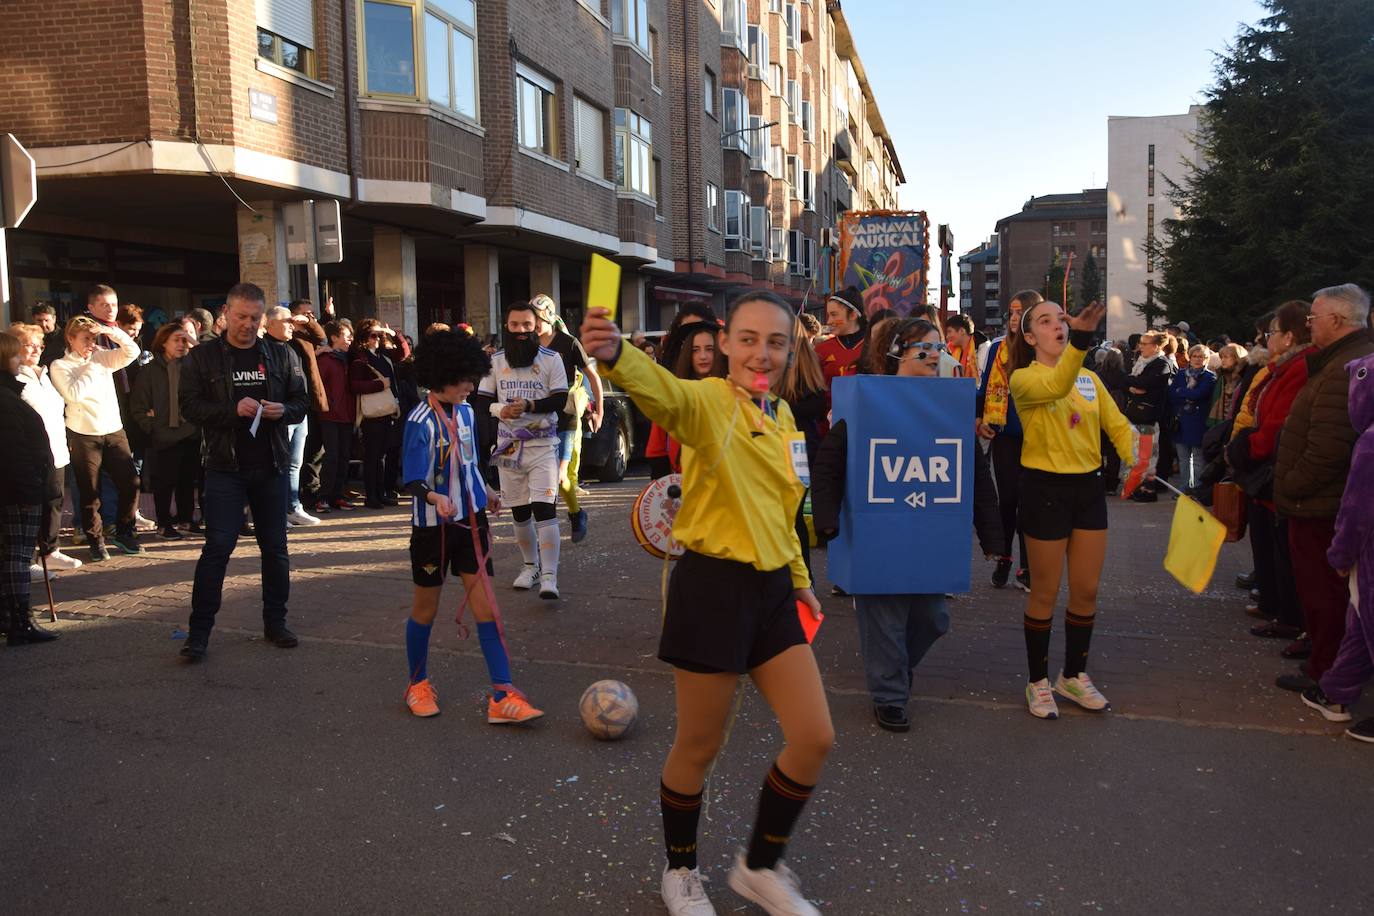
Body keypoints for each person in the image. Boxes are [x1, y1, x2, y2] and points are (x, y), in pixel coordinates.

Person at [582, 290, 830, 916]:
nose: (761, 353)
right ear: (724, 342)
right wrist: (615, 357)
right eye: (747, 339)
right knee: (698, 746)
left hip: (773, 591)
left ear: (790, 349)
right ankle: (681, 872)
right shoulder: (708, 404)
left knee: (814, 737)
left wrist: (800, 578)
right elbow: (664, 392)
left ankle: (759, 868)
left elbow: (786, 510)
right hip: (711, 591)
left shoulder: (786, 421)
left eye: (775, 342)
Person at [812, 317, 952, 733]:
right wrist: (828, 520)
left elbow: (971, 469)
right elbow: (830, 462)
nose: (933, 355)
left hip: (925, 530)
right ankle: (890, 694)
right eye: (922, 347)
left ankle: (894, 669)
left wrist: (991, 531)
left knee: (933, 617)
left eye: (938, 347)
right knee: (885, 618)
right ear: (895, 352)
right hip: (876, 529)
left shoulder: (948, 404)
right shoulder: (865, 399)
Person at [398, 329, 544, 724]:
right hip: (432, 530)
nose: (471, 386)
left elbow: (469, 463)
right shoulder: (418, 419)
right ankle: (417, 684)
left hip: (471, 525)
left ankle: (502, 694)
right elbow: (410, 478)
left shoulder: (465, 412)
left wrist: (487, 492)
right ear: (442, 375)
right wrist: (434, 497)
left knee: (488, 610)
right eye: (464, 379)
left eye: (472, 377)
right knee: (424, 611)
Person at [1011, 301, 1133, 719]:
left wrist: (1134, 453)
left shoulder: (1089, 379)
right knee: (1045, 591)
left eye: (1061, 319)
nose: (1057, 326)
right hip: (1044, 489)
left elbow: (1116, 423)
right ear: (1030, 338)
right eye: (1045, 322)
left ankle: (1074, 676)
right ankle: (1038, 682)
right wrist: (1081, 337)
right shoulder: (1024, 379)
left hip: (1088, 489)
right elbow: (1058, 385)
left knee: (1085, 590)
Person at [176, 283, 310, 661]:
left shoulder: (282, 354)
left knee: (276, 549)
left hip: (271, 465)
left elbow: (302, 402)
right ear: (226, 314)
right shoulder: (203, 357)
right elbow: (189, 407)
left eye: (255, 318)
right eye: (241, 317)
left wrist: (282, 410)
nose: (248, 325)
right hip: (224, 467)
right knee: (218, 547)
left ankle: (275, 622)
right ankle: (199, 632)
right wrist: (232, 411)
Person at [1273, 284, 1374, 694]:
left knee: (1326, 597)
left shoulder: (1347, 366)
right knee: (1322, 596)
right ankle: (1326, 664)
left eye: (1314, 317)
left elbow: (1330, 446)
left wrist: (1291, 484)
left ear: (1337, 320)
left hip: (1320, 503)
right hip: (1317, 499)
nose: (1309, 323)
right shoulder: (1336, 360)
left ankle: (1325, 673)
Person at [1226, 302, 1313, 648]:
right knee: (1270, 546)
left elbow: (1280, 423)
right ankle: (1279, 608)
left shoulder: (1298, 368)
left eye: (1272, 332)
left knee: (1286, 553)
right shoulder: (1282, 367)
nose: (1266, 338)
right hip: (1266, 466)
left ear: (1289, 336)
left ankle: (1290, 617)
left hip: (1277, 468)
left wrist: (1247, 446)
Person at [1301, 352, 1374, 739]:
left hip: (1369, 555)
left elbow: (1357, 510)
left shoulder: (1370, 443)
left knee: (1365, 617)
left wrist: (1341, 555)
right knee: (1360, 624)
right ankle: (1336, 691)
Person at [475, 303, 568, 599]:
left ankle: (550, 576)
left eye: (526, 325)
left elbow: (560, 399)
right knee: (520, 512)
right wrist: (502, 409)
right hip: (508, 446)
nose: (520, 331)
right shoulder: (495, 362)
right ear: (506, 326)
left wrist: (530, 406)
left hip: (543, 445)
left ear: (536, 326)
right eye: (514, 325)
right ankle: (531, 567)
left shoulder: (553, 360)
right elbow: (481, 402)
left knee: (544, 508)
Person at [49, 315, 143, 561]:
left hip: (113, 429)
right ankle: (95, 539)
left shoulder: (102, 356)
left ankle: (124, 531)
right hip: (83, 434)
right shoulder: (60, 366)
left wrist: (111, 332)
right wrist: (92, 362)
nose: (91, 343)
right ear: (70, 339)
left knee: (131, 482)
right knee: (90, 491)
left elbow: (132, 351)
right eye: (86, 339)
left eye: (94, 338)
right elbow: (74, 393)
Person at [979, 289, 1044, 590]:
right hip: (1004, 435)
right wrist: (979, 418)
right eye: (1012, 312)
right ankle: (1004, 557)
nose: (1014, 318)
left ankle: (1028, 566)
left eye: (1021, 312)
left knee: (1031, 503)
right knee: (1007, 501)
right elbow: (983, 389)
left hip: (1038, 436)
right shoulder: (996, 349)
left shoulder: (1043, 349)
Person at [0, 331, 60, 645]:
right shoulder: (6, 400)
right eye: (14, 354)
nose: (19, 359)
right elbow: (13, 450)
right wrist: (31, 489)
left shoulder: (9, 394)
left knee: (11, 555)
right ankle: (19, 620)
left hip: (18, 485)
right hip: (18, 489)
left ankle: (11, 617)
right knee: (17, 557)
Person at [9, 323, 82, 573]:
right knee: (32, 505)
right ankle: (27, 558)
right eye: (28, 344)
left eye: (39, 345)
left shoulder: (43, 374)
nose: (35, 350)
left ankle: (50, 550)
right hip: (32, 453)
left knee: (54, 500)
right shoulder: (14, 378)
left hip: (56, 449)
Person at [532, 293, 604, 544]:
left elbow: (593, 377)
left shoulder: (569, 343)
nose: (534, 323)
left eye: (538, 318)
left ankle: (576, 514)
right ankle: (548, 528)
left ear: (549, 317)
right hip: (540, 417)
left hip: (567, 418)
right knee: (542, 479)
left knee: (561, 478)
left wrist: (599, 410)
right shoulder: (528, 345)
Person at [130, 323, 201, 540]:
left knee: (187, 481)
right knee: (164, 482)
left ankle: (186, 519)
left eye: (184, 340)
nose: (182, 344)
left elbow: (209, 361)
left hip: (190, 431)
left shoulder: (193, 366)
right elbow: (138, 406)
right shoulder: (150, 370)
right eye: (176, 340)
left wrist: (194, 341)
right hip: (163, 434)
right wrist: (153, 427)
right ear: (163, 343)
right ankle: (163, 523)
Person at [778, 321, 828, 581]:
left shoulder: (798, 361)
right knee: (791, 514)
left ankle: (798, 578)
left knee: (789, 514)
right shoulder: (807, 360)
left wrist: (780, 406)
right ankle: (801, 578)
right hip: (799, 445)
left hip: (790, 445)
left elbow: (817, 406)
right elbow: (818, 405)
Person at [265, 307, 321, 527]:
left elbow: (320, 337)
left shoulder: (293, 343)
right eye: (285, 321)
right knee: (278, 463)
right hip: (280, 413)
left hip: (299, 411)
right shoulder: (264, 348)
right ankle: (278, 510)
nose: (291, 325)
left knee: (294, 463)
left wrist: (305, 321)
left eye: (291, 321)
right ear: (270, 325)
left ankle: (293, 507)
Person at [647, 322, 727, 478]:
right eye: (695, 350)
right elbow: (657, 447)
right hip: (681, 487)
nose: (702, 356)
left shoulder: (733, 392)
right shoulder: (673, 394)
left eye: (709, 349)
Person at [349, 318, 403, 509]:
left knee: (382, 455)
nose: (378, 339)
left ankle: (380, 493)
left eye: (379, 335)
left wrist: (393, 335)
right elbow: (355, 385)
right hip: (372, 414)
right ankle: (371, 495)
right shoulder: (360, 357)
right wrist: (380, 384)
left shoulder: (382, 355)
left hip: (386, 411)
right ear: (364, 337)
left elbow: (402, 354)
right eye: (374, 335)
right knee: (372, 456)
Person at [288, 299, 329, 519]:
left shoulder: (306, 335)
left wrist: (313, 320)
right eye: (305, 314)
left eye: (312, 314)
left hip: (309, 399)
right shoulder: (290, 337)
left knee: (310, 453)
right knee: (293, 459)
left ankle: (299, 501)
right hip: (294, 402)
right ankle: (297, 500)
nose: (309, 317)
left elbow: (321, 337)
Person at [1124, 330, 1176, 503]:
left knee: (1148, 456)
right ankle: (1136, 487)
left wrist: (1136, 386)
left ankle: (1148, 490)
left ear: (1156, 346)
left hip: (1149, 416)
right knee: (1136, 453)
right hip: (1135, 414)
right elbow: (1130, 383)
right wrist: (1135, 387)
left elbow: (1143, 384)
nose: (1140, 347)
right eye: (1140, 343)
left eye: (1144, 344)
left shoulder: (1161, 364)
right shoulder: (1142, 362)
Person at [316, 320, 357, 512]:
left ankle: (338, 495)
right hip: (330, 415)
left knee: (344, 456)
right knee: (331, 456)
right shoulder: (325, 360)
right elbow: (318, 387)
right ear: (333, 337)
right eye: (346, 336)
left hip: (348, 414)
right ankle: (323, 497)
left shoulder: (348, 359)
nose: (350, 340)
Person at [1168, 344, 1217, 493]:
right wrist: (1185, 394)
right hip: (1181, 420)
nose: (1197, 359)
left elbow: (1200, 394)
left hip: (1197, 422)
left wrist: (1181, 392)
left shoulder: (1209, 377)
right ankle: (1184, 488)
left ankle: (1196, 488)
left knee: (1197, 458)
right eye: (1195, 356)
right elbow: (1171, 394)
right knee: (1183, 458)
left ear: (1206, 359)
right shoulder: (1181, 374)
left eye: (1201, 356)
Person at [814, 287, 867, 403]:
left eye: (834, 314)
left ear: (853, 315)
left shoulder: (874, 347)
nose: (828, 321)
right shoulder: (821, 350)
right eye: (828, 315)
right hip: (828, 419)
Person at [1208, 343, 1250, 427]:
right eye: (1221, 357)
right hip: (1221, 423)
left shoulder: (1245, 378)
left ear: (1237, 358)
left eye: (1226, 357)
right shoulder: (1221, 377)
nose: (1222, 360)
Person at [944, 313, 979, 380]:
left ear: (962, 331)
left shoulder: (981, 348)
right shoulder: (951, 351)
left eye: (949, 331)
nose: (947, 336)